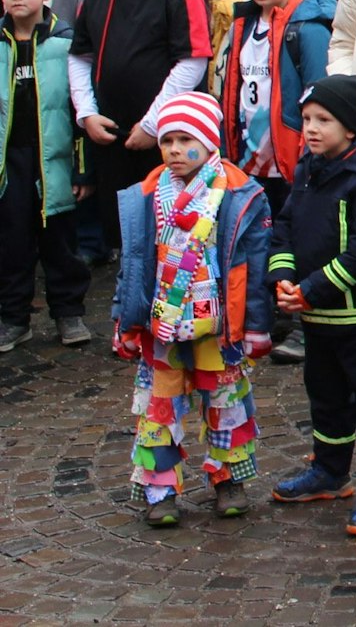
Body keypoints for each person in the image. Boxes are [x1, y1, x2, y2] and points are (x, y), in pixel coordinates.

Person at [109, 90, 273, 527]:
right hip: (161, 323)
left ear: (208, 140)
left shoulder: (239, 194)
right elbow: (133, 262)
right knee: (158, 407)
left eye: (185, 140)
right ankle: (160, 489)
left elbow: (254, 268)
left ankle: (227, 480)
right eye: (167, 142)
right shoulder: (146, 195)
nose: (175, 151)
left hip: (218, 325)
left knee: (225, 402)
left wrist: (257, 324)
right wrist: (124, 318)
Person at [263, 73, 356, 536]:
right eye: (306, 119)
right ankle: (330, 470)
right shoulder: (306, 169)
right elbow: (283, 228)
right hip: (316, 317)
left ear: (352, 128)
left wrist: (312, 288)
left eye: (323, 120)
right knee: (325, 396)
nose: (311, 128)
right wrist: (283, 278)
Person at [68, 0, 210, 259]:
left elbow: (192, 62)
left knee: (170, 235)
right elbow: (80, 57)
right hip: (110, 136)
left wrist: (153, 124)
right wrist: (86, 113)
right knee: (123, 235)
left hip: (166, 139)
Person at [0, 0, 88, 351]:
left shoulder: (64, 43)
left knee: (60, 241)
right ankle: (14, 318)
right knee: (12, 242)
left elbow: (80, 110)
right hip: (9, 162)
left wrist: (82, 170)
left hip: (52, 159)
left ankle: (68, 313)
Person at [213, 0, 333, 215]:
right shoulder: (241, 25)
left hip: (290, 163)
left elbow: (319, 97)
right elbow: (227, 90)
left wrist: (309, 158)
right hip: (247, 160)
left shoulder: (308, 28)